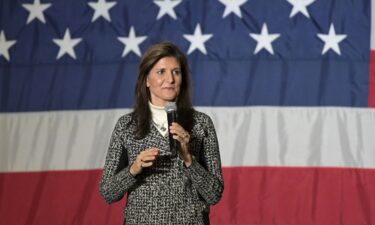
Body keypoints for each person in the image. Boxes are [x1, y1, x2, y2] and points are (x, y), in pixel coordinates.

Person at [99, 42, 224, 225]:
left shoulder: (201, 124)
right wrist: (134, 168)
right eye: (161, 72)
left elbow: (214, 194)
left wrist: (189, 160)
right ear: (146, 80)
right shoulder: (126, 126)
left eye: (176, 72)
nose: (170, 79)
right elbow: (108, 193)